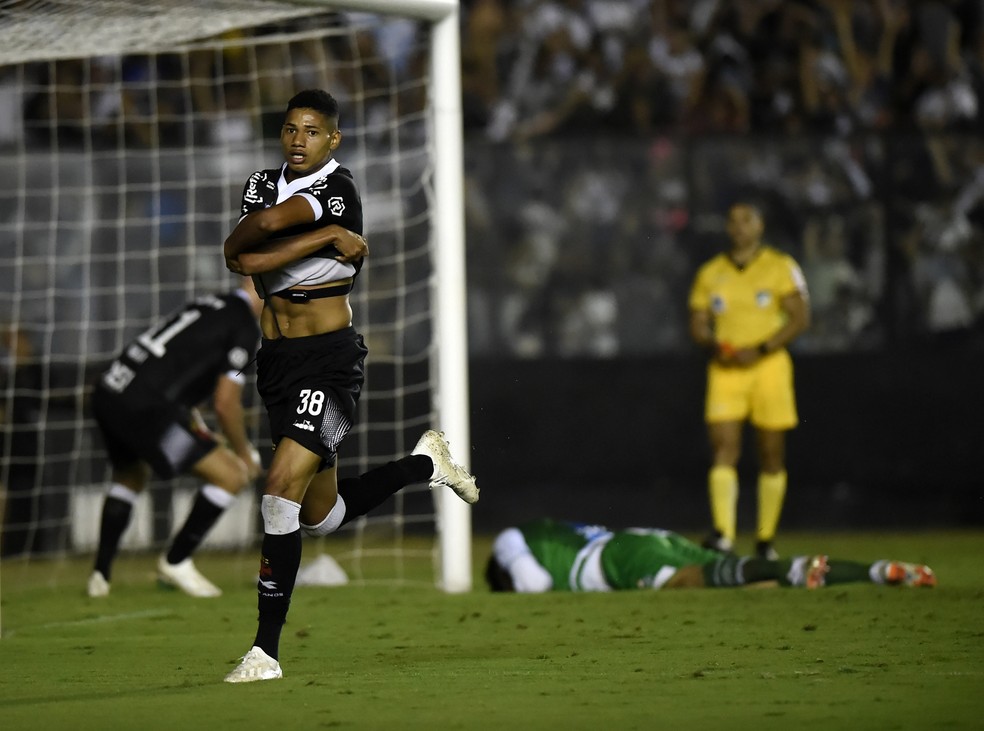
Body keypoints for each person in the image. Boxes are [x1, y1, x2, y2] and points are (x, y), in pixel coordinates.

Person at [221, 89, 479, 684]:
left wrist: (279, 245)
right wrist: (321, 239)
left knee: (279, 488)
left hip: (329, 362)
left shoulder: (341, 188)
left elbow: (255, 250)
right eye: (290, 129)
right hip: (277, 364)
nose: (297, 140)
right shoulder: (262, 183)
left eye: (311, 131)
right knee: (321, 517)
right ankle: (424, 464)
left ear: (332, 138)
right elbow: (243, 251)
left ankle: (265, 651)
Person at [86, 279, 264, 598]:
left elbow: (179, 377)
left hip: (110, 392)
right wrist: (244, 451)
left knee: (129, 474)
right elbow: (225, 403)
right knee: (231, 475)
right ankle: (176, 561)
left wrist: (200, 428)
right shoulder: (244, 327)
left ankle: (100, 576)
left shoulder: (207, 305)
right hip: (147, 409)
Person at [687, 202, 811, 560]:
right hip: (726, 370)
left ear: (760, 226)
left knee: (771, 453)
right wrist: (713, 344)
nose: (739, 227)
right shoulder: (711, 272)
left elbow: (800, 316)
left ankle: (764, 540)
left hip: (769, 368)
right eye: (734, 221)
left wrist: (762, 348)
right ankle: (723, 535)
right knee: (723, 449)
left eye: (747, 220)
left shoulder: (780, 267)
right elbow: (697, 321)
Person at [485, 518, 937, 593]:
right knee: (742, 580)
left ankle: (793, 568)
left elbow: (535, 584)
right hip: (640, 540)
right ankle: (874, 571)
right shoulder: (542, 529)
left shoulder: (513, 545)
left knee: (691, 584)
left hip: (617, 562)